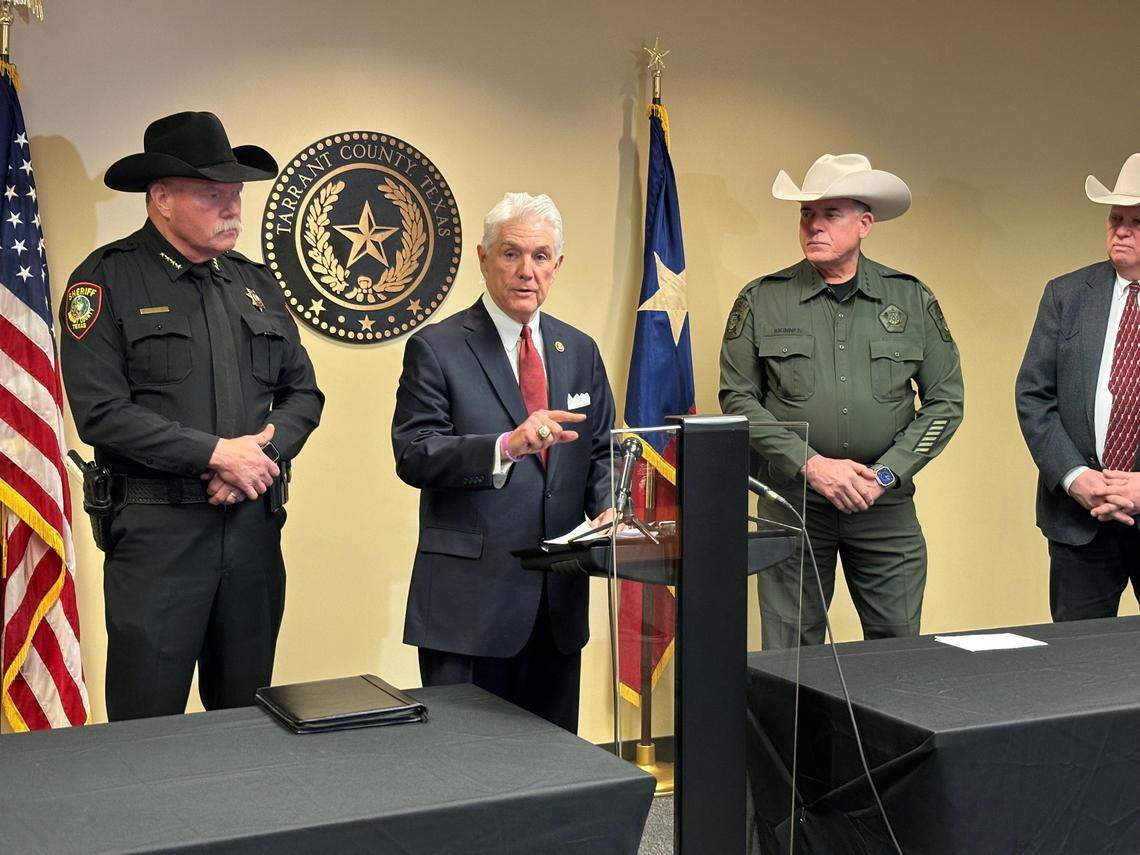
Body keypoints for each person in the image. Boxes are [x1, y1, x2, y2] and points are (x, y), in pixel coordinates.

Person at [59, 111, 324, 720]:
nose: (232, 209)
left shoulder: (256, 286)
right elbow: (101, 414)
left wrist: (262, 456)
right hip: (159, 538)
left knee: (247, 721)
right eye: (212, 195)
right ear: (162, 199)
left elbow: (304, 395)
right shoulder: (106, 280)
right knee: (147, 728)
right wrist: (215, 454)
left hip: (254, 531)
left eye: (235, 195)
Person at [720, 153, 963, 649]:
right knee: (790, 652)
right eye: (807, 214)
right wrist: (811, 466)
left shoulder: (911, 299)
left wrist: (886, 474)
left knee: (896, 647)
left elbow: (945, 404)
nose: (813, 225)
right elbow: (738, 399)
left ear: (864, 224)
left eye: (830, 214)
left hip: (885, 506)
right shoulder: (762, 299)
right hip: (793, 502)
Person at [391, 192, 615, 732]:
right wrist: (504, 447)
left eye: (540, 257)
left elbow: (604, 447)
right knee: (466, 774)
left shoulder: (578, 350)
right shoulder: (438, 347)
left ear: (557, 266)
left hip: (557, 603)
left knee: (553, 768)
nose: (526, 271)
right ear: (483, 257)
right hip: (468, 608)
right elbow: (414, 453)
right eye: (511, 254)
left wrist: (610, 509)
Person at [1016, 153, 1140, 620]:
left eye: (1136, 221)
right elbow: (1034, 394)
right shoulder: (1066, 294)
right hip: (1079, 518)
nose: (1121, 231)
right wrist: (1074, 478)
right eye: (1116, 218)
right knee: (1076, 667)